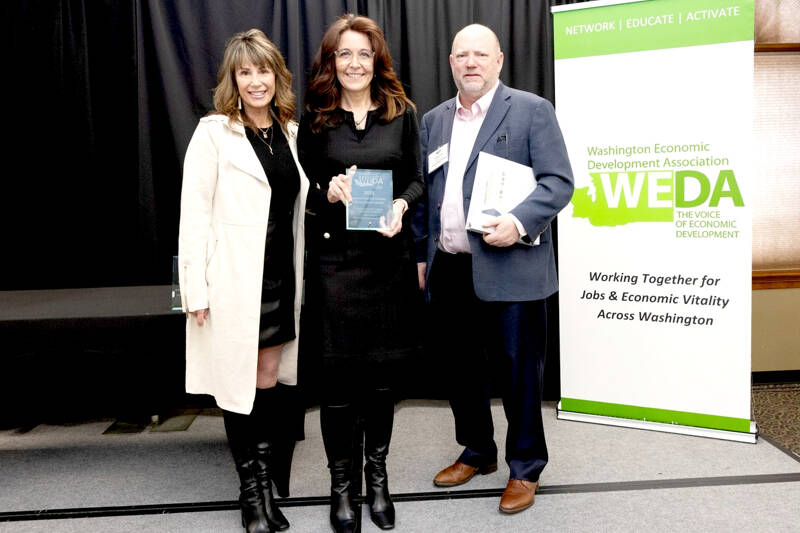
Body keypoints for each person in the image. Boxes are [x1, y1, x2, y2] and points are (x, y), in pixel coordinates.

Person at [413, 24, 574, 515]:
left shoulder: (531, 110)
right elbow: (426, 194)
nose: (471, 63)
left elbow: (558, 182)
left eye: (480, 54)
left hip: (513, 266)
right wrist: (423, 255)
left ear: (499, 60)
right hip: (452, 268)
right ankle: (478, 451)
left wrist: (518, 222)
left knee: (520, 372)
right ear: (450, 63)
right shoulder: (435, 121)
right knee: (462, 370)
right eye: (462, 55)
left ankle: (525, 466)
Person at [178, 29, 309, 533]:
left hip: (281, 280)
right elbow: (193, 217)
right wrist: (195, 290)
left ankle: (265, 483)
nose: (257, 81)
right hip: (234, 283)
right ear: (233, 79)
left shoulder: (292, 133)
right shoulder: (213, 133)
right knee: (238, 391)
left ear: (278, 76)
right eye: (246, 72)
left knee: (267, 383)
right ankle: (252, 495)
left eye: (264, 71)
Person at [298, 14, 424, 533]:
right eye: (344, 54)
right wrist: (327, 190)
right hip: (334, 268)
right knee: (339, 387)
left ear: (377, 61)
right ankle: (341, 486)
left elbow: (417, 180)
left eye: (364, 54)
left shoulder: (402, 114)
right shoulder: (315, 119)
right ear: (331, 62)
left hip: (386, 267)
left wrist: (400, 205)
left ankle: (377, 479)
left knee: (379, 386)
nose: (354, 63)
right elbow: (302, 190)